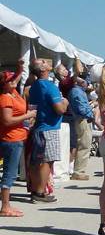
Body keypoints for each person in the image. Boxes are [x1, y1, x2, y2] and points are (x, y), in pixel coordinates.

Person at [28, 58, 68, 203]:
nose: (47, 61)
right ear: (43, 69)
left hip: (39, 127)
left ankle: (35, 190)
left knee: (37, 160)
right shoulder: (49, 86)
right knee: (47, 161)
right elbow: (59, 109)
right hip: (49, 128)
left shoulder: (34, 86)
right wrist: (65, 102)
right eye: (44, 61)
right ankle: (39, 193)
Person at [0, 61, 35, 217]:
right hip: (11, 140)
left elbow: (17, 77)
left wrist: (20, 68)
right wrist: (27, 116)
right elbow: (7, 121)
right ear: (4, 84)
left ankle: (6, 205)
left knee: (11, 172)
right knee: (10, 173)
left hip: (16, 138)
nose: (14, 81)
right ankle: (5, 207)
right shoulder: (5, 98)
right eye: (10, 80)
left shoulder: (12, 92)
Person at [66, 64, 94, 181]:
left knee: (83, 144)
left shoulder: (78, 91)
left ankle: (78, 170)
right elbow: (82, 109)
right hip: (82, 120)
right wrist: (91, 112)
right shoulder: (76, 92)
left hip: (81, 119)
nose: (87, 82)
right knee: (84, 144)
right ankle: (78, 171)